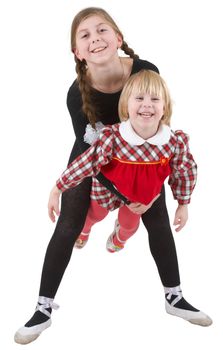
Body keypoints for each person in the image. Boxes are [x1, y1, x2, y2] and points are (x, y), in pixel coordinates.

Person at [14, 7, 212, 345]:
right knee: (69, 222)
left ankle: (174, 296)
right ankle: (42, 307)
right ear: (76, 52)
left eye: (102, 30)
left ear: (118, 38)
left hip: (139, 153)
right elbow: (91, 157)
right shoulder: (77, 96)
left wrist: (150, 192)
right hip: (94, 154)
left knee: (157, 216)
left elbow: (157, 128)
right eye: (85, 35)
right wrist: (71, 187)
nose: (95, 39)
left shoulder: (145, 72)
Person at [48, 69, 197, 257]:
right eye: (139, 98)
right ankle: (85, 230)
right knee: (95, 214)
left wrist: (183, 204)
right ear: (126, 105)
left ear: (165, 108)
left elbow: (185, 171)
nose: (147, 105)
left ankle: (120, 237)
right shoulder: (113, 138)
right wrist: (57, 189)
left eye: (155, 99)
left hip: (139, 198)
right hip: (107, 189)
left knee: (130, 225)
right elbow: (84, 163)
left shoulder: (173, 142)